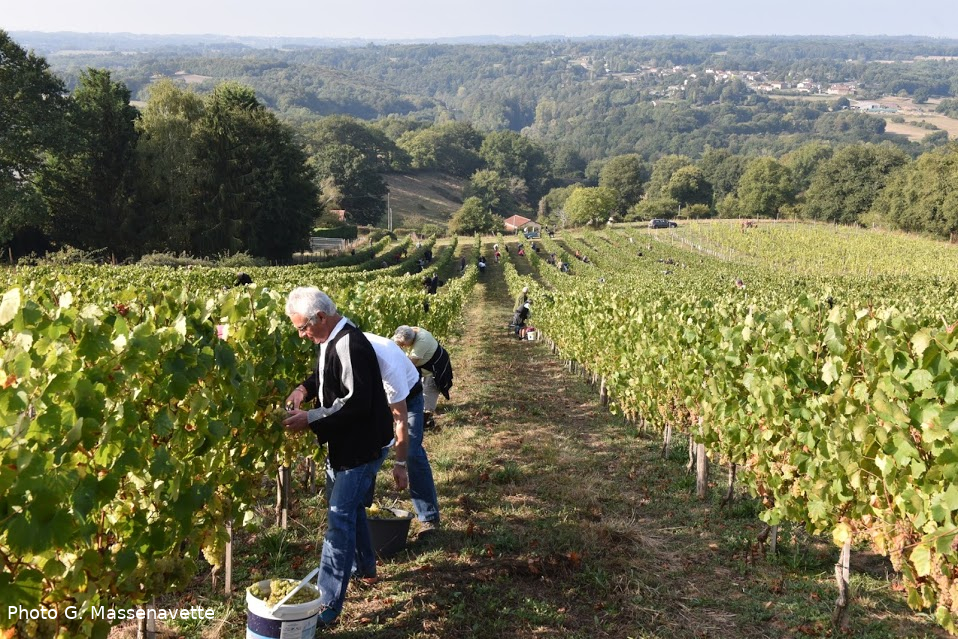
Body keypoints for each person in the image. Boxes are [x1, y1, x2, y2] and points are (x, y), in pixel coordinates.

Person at [283, 287, 393, 628]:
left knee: (338, 518)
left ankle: (327, 604)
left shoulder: (351, 343)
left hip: (362, 447)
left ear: (321, 317)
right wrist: (304, 389)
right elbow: (324, 376)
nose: (303, 335)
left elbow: (356, 402)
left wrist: (311, 418)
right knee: (349, 508)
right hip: (346, 444)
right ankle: (366, 568)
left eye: (303, 328)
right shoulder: (330, 340)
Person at [366, 332, 441, 535]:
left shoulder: (388, 365)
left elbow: (400, 420)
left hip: (409, 396)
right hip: (377, 399)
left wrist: (399, 465)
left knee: (412, 452)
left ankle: (429, 517)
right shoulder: (344, 350)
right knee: (369, 450)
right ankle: (361, 517)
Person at [392, 325, 453, 433]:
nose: (402, 346)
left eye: (403, 345)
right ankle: (421, 415)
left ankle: (424, 423)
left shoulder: (422, 341)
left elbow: (409, 365)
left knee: (429, 393)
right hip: (424, 367)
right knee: (420, 391)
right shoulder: (407, 332)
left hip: (435, 369)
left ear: (411, 340)